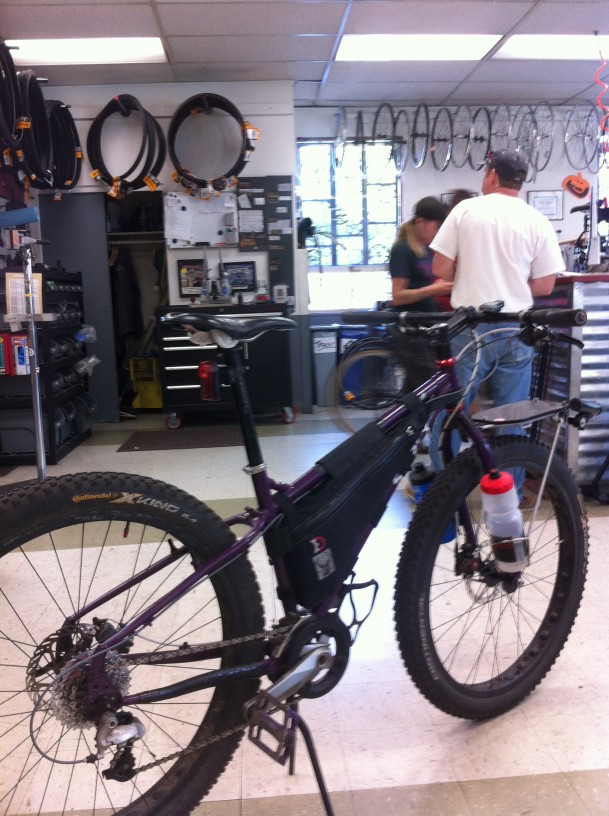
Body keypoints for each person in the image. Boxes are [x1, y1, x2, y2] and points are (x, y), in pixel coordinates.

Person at [428, 148, 565, 475]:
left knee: (450, 413)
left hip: (471, 330)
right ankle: (506, 504)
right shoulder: (536, 219)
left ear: (491, 174)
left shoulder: (465, 210)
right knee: (512, 419)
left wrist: (474, 274)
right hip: (516, 331)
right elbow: (545, 286)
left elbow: (441, 270)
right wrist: (512, 284)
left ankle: (443, 499)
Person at [388, 196, 453, 387]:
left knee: (414, 394)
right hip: (411, 334)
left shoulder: (424, 250)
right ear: (420, 222)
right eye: (435, 228)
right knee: (432, 389)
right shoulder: (402, 250)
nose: (436, 234)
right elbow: (398, 297)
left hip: (425, 330)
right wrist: (433, 289)